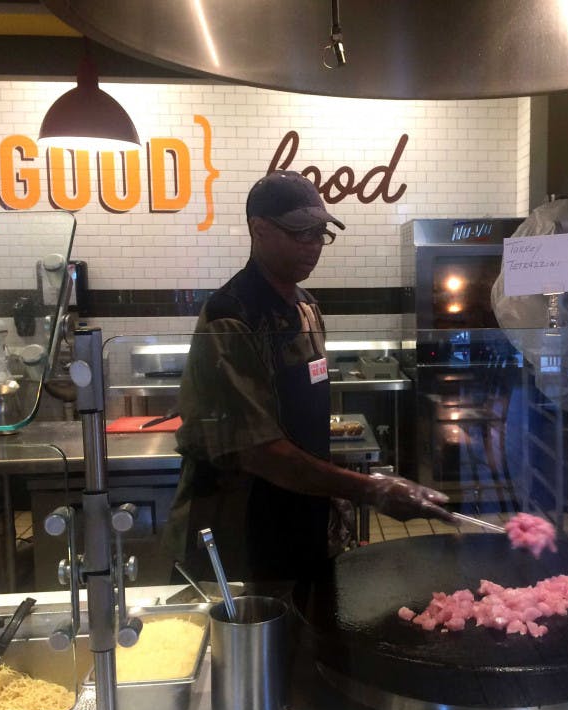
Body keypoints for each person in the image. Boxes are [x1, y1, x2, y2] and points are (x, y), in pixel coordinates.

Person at [163, 170, 456, 583]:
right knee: (253, 642)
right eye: (302, 233)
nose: (314, 245)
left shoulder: (305, 307)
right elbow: (259, 450)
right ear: (259, 230)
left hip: (302, 514)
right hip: (243, 526)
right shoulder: (231, 318)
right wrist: (371, 490)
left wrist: (337, 490)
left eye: (321, 233)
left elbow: (303, 420)